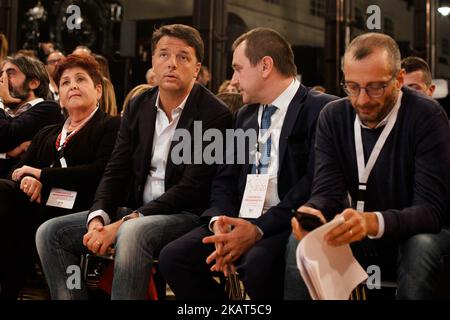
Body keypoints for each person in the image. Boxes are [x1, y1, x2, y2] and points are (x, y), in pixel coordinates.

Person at [36, 24, 231, 300]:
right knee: (51, 233)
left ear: (197, 68)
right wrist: (98, 217)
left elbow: (192, 187)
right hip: (134, 209)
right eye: (163, 55)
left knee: (132, 233)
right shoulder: (139, 105)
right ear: (152, 61)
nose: (171, 64)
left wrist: (126, 221)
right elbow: (116, 169)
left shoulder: (214, 114)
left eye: (183, 57)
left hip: (185, 214)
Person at [159, 27, 338, 300]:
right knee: (175, 257)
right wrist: (220, 220)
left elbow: (314, 184)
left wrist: (257, 229)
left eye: (238, 69)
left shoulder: (321, 109)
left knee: (256, 265)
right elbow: (225, 178)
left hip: (285, 222)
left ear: (265, 66)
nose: (233, 79)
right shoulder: (244, 116)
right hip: (240, 219)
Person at [284, 32, 450, 300]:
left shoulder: (426, 115)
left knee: (421, 246)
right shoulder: (334, 116)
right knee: (300, 241)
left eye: (376, 87)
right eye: (352, 86)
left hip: (413, 233)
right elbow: (327, 192)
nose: (362, 99)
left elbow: (431, 211)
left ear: (398, 79)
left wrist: (373, 222)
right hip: (359, 231)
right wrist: (313, 212)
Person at [0, 54, 120, 299]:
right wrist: (26, 179)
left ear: (98, 90)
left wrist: (42, 175)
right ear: (61, 97)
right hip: (37, 208)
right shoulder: (48, 132)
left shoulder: (111, 126)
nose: (72, 85)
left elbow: (98, 172)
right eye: (65, 82)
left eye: (80, 79)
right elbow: (16, 170)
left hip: (81, 210)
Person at [0, 55, 64, 177]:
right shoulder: (5, 111)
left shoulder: (48, 108)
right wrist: (7, 153)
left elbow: (4, 136)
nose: (3, 80)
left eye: (10, 74)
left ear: (33, 83)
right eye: (1, 74)